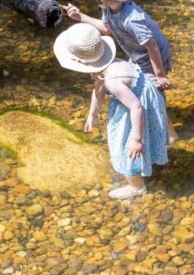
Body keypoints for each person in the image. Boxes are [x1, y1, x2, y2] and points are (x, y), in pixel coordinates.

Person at [63, 0, 178, 144]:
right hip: (138, 55)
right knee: (141, 91)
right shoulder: (109, 8)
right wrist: (81, 17)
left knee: (154, 96)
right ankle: (161, 127)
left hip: (153, 59)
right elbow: (108, 28)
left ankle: (169, 135)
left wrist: (160, 75)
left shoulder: (132, 19)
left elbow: (152, 45)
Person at [54, 24, 169, 199]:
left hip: (135, 106)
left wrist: (136, 139)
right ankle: (153, 154)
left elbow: (136, 107)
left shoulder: (112, 81)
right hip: (146, 96)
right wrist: (93, 113)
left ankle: (137, 187)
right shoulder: (110, 66)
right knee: (147, 134)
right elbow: (99, 86)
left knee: (124, 147)